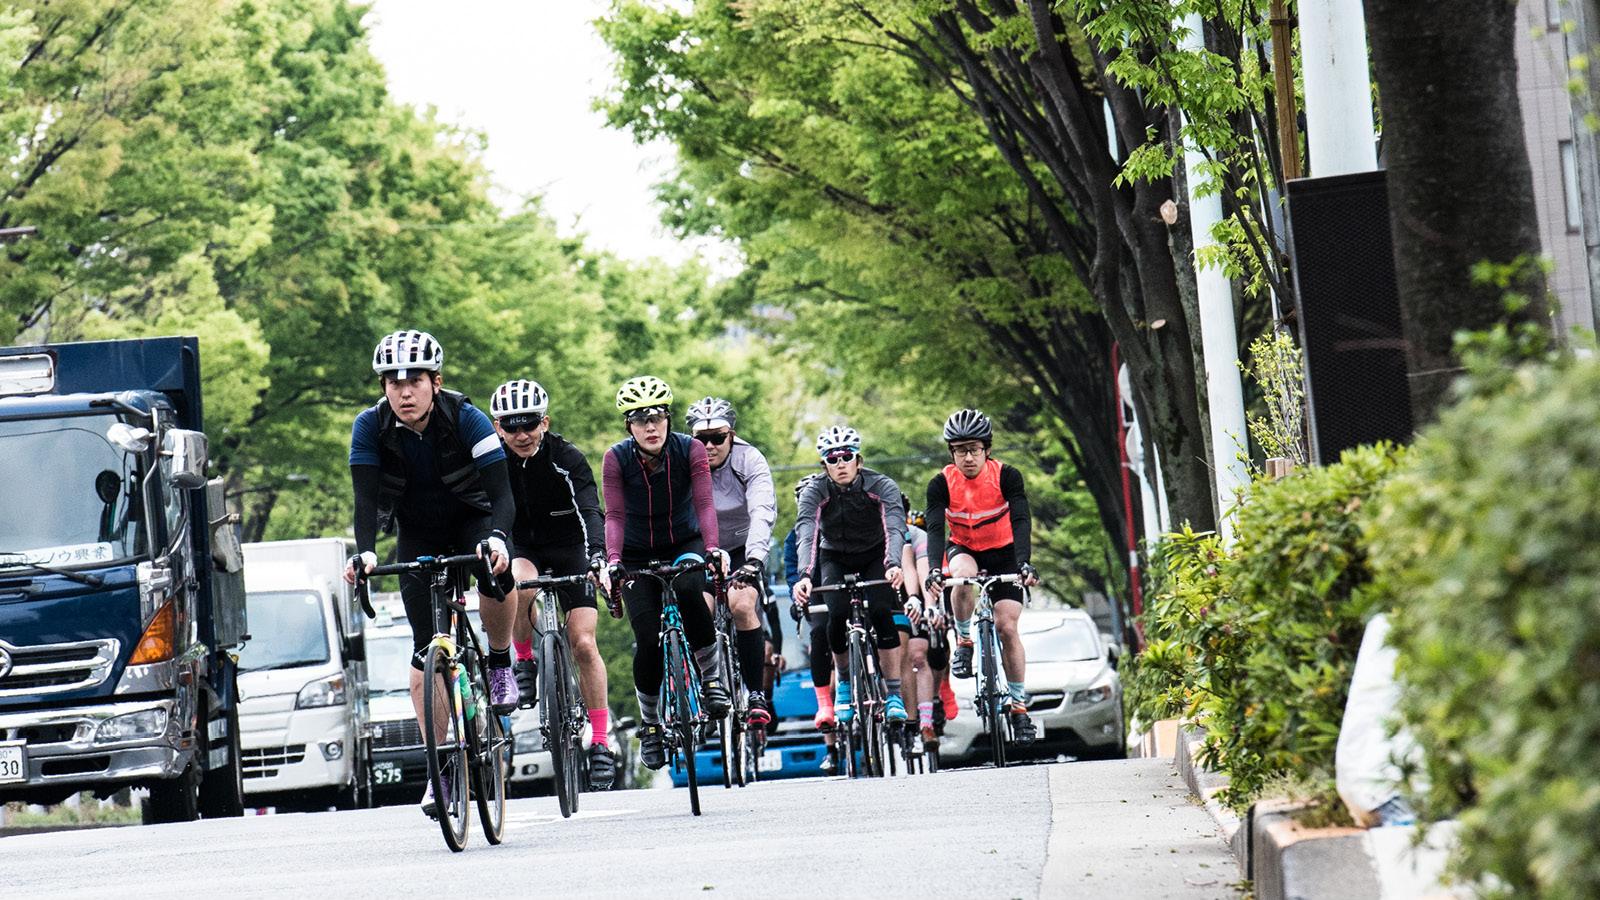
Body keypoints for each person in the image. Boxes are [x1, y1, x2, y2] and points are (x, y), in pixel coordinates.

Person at [343, 329, 517, 816]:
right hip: (416, 531)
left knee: (497, 574)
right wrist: (366, 553)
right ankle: (439, 765)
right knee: (426, 654)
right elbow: (365, 500)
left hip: (473, 520)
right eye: (392, 382)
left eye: (414, 381)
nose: (403, 392)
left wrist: (498, 539)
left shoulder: (467, 418)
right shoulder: (369, 427)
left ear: (435, 382)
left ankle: (500, 661)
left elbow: (502, 496)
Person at [489, 378, 617, 790]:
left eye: (530, 425)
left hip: (569, 546)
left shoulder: (566, 456)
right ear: (497, 427)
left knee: (583, 642)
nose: (522, 435)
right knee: (521, 582)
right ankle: (523, 659)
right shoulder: (491, 460)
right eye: (512, 427)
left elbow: (590, 509)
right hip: (522, 545)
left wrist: (598, 555)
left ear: (545, 422)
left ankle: (599, 740)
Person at [601, 376, 731, 770]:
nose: (650, 426)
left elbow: (706, 504)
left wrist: (711, 549)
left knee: (692, 591)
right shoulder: (616, 458)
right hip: (637, 553)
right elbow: (616, 515)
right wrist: (613, 559)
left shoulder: (689, 449)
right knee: (645, 637)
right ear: (629, 426)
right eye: (640, 419)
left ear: (668, 418)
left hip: (685, 542)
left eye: (657, 417)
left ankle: (710, 680)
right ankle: (652, 724)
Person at [924, 408, 1040, 744]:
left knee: (1006, 626)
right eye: (961, 450)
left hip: (1005, 552)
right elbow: (934, 528)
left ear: (986, 449)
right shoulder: (941, 483)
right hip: (965, 547)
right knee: (959, 577)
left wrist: (1024, 563)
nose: (968, 457)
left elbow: (1021, 520)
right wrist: (934, 568)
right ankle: (964, 640)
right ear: (952, 453)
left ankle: (1019, 708)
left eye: (974, 449)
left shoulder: (1007, 475)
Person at [792, 426, 908, 725]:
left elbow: (895, 526)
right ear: (824, 465)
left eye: (847, 456)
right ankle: (843, 682)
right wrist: (805, 575)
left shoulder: (881, 485)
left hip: (875, 553)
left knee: (882, 611)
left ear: (859, 459)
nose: (840, 463)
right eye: (832, 458)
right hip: (835, 557)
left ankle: (893, 694)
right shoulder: (814, 491)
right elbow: (806, 534)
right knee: (837, 613)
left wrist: (894, 563)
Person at [684, 397, 779, 728]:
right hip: (699, 547)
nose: (709, 446)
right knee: (698, 612)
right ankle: (709, 690)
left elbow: (762, 511)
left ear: (732, 435)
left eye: (718, 437)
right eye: (701, 439)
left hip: (742, 547)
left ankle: (755, 694)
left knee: (741, 605)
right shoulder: (682, 461)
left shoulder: (749, 459)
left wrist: (754, 559)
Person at [895, 496, 944, 754]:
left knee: (917, 656)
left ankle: (925, 724)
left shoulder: (915, 535)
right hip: (884, 592)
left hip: (913, 595)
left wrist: (930, 605)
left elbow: (924, 570)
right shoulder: (869, 529)